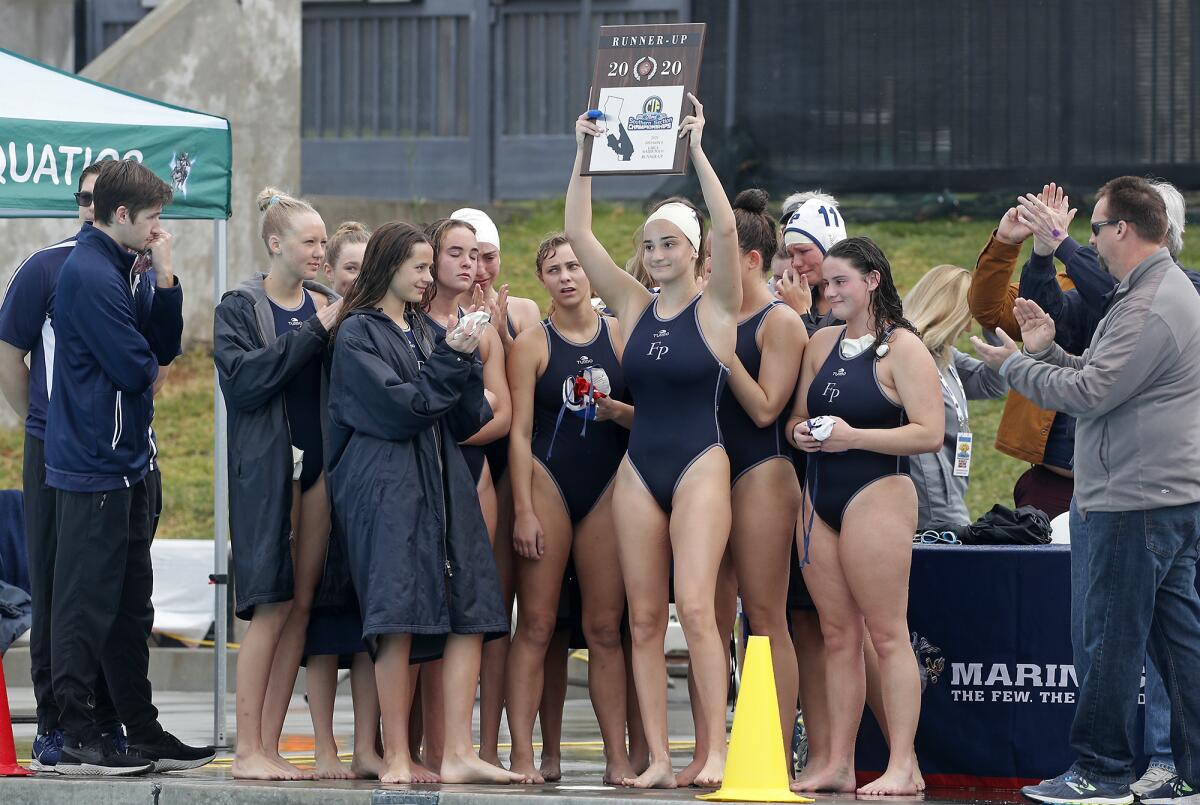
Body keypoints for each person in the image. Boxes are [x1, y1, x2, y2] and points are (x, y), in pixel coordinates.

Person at [972, 176, 1200, 805]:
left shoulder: (1152, 301)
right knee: (1174, 644)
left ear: (1123, 229)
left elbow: (1092, 395)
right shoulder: (1153, 293)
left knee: (1107, 639)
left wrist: (1014, 364)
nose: (1090, 240)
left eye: (1096, 227)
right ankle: (1188, 771)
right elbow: (1105, 379)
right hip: (1158, 495)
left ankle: (1100, 771)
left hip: (1133, 500)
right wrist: (1045, 353)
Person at [0, 162, 204, 775]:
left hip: (125, 457)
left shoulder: (128, 267)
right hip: (84, 454)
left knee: (126, 599)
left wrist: (164, 281)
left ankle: (134, 724)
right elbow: (136, 367)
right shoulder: (76, 270)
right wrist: (47, 424)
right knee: (77, 597)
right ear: (119, 215)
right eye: (153, 219)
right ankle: (73, 728)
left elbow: (163, 350)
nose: (158, 229)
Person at [567, 93, 740, 789]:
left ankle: (714, 749)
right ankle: (661, 758)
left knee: (697, 608)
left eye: (671, 243)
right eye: (650, 244)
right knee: (643, 617)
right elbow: (578, 236)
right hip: (640, 467)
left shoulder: (718, 304)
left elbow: (727, 228)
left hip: (701, 461)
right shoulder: (634, 306)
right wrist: (583, 154)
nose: (657, 253)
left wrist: (696, 151)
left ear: (693, 253)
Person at [325, 221, 528, 785]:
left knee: (470, 606)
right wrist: (450, 361)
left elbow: (466, 418)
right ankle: (394, 756)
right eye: (418, 266)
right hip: (387, 487)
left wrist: (463, 356)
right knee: (397, 615)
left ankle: (459, 750)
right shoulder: (357, 334)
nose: (426, 276)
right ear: (389, 268)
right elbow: (402, 409)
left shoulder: (422, 328)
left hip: (443, 481)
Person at [786, 237, 942, 796]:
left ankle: (905, 764)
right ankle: (839, 762)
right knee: (837, 634)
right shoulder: (820, 342)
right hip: (820, 497)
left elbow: (929, 431)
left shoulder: (903, 347)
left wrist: (854, 437)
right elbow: (799, 416)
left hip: (878, 490)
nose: (829, 291)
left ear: (872, 280)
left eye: (840, 282)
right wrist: (800, 433)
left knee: (886, 634)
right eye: (825, 284)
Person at [214, 187, 341, 781]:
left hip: (318, 465)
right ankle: (247, 749)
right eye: (311, 241)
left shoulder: (327, 301)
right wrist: (314, 332)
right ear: (276, 244)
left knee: (300, 604)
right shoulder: (241, 305)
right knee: (267, 604)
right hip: (268, 468)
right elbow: (244, 382)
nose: (321, 251)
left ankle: (268, 741)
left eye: (323, 241)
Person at [504, 233, 635, 784]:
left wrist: (616, 411)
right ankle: (524, 755)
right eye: (554, 268)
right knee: (535, 624)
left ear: (590, 273)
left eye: (575, 266)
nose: (567, 276)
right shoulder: (532, 344)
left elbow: (649, 418)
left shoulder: (622, 336)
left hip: (607, 486)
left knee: (605, 627)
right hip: (549, 483)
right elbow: (518, 434)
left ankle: (618, 757)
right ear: (542, 281)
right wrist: (523, 512)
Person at [716, 189, 807, 764]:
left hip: (762, 470)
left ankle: (772, 749)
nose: (705, 267)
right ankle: (724, 745)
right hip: (708, 469)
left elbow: (768, 408)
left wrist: (725, 355)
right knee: (714, 616)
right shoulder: (709, 314)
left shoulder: (781, 321)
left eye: (714, 255)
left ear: (751, 259)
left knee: (766, 615)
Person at [447, 207, 530, 769]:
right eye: (467, 255)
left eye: (488, 256)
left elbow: (512, 411)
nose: (479, 267)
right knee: (440, 605)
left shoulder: (520, 310)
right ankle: (435, 741)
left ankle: (489, 745)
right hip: (458, 460)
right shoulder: (429, 310)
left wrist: (499, 331)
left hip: (495, 465)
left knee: (493, 609)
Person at [302, 220, 384, 779]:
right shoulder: (319, 326)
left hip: (372, 484)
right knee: (327, 628)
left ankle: (366, 746)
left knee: (369, 627)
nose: (357, 277)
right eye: (349, 267)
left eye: (365, 266)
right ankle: (326, 744)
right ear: (330, 272)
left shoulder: (386, 326)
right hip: (326, 478)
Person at [966, 187, 1079, 518]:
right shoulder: (1064, 286)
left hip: (1128, 483)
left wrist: (1057, 243)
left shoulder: (1163, 295)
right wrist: (1006, 242)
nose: (1095, 241)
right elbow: (990, 310)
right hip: (1053, 479)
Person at [903, 265, 1007, 529]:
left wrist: (991, 325)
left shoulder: (943, 354)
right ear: (947, 312)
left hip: (947, 491)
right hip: (930, 501)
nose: (967, 327)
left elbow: (993, 384)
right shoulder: (905, 354)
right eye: (968, 316)